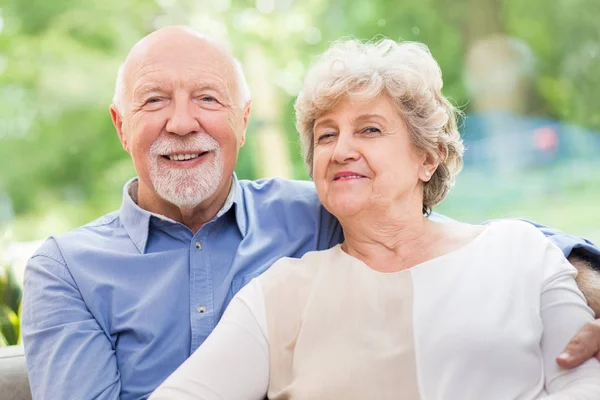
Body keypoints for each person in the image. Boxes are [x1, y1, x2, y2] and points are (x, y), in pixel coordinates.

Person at [20, 27, 600, 400]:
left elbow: (445, 236)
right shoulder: (67, 269)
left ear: (244, 120)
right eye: (153, 100)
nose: (181, 122)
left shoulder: (322, 208)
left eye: (207, 98)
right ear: (120, 126)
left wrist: (581, 272)